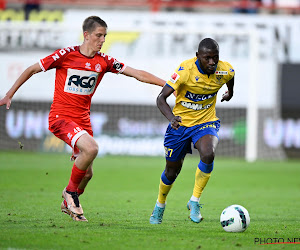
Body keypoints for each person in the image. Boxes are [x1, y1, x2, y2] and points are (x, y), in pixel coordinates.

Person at [0, 16, 165, 222]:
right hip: (61, 118)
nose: (102, 39)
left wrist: (168, 86)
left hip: (83, 121)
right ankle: (70, 193)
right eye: (98, 35)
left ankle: (68, 203)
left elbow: (137, 73)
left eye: (105, 36)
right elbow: (32, 69)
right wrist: (9, 94)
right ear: (86, 35)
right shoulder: (65, 55)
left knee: (87, 175)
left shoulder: (104, 61)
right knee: (92, 149)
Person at [149, 38, 235, 224]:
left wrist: (230, 92)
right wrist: (171, 118)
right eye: (207, 58)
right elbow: (160, 98)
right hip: (180, 125)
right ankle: (160, 205)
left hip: (205, 122)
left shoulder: (225, 69)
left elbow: (231, 77)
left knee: (208, 154)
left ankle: (194, 200)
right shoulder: (184, 71)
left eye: (215, 58)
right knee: (171, 172)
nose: (212, 62)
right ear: (198, 56)